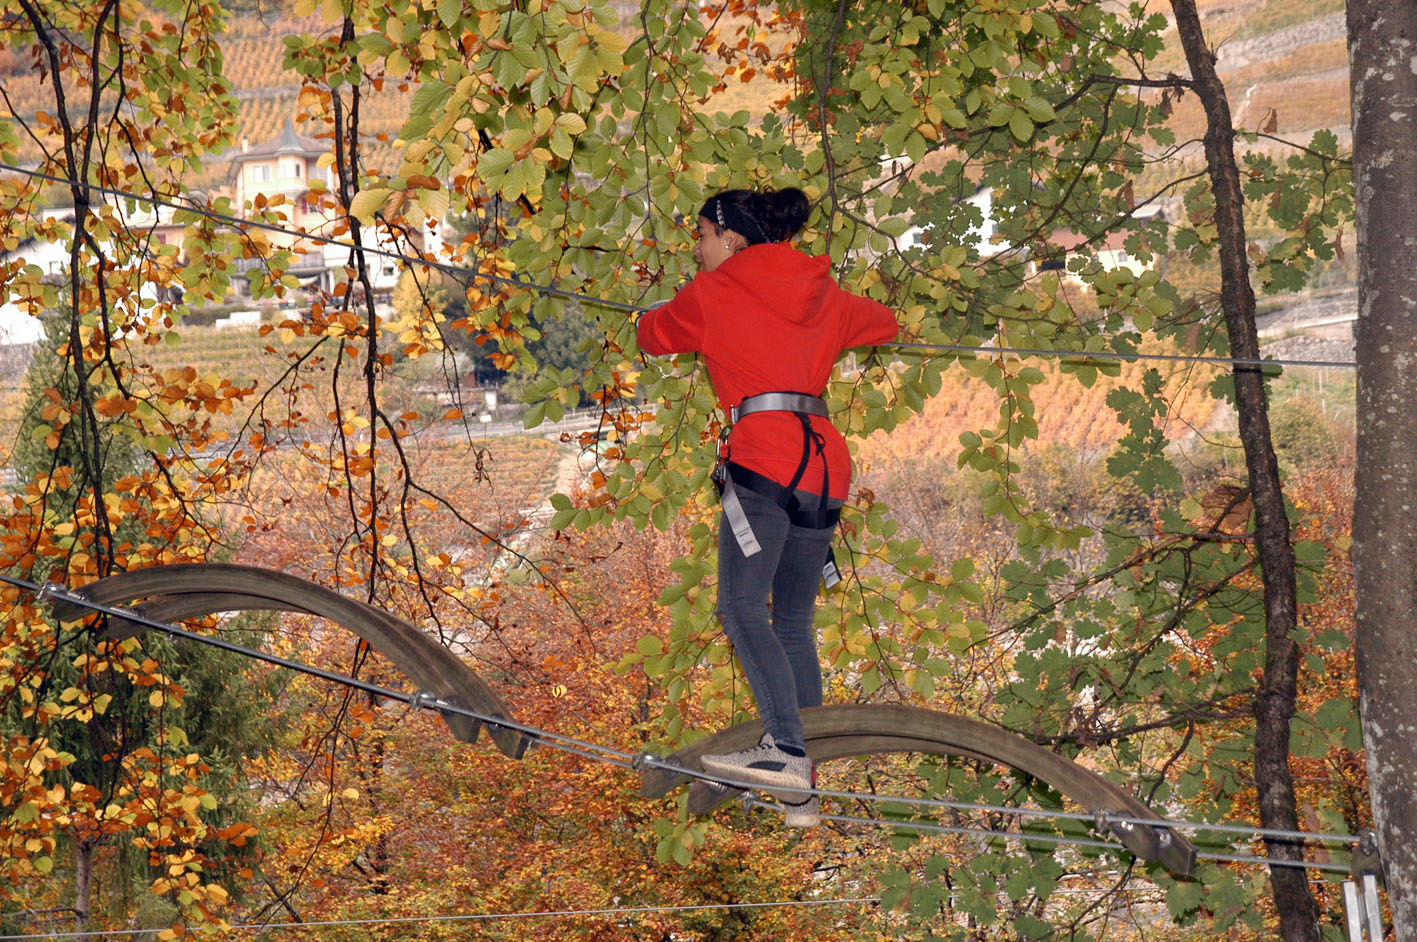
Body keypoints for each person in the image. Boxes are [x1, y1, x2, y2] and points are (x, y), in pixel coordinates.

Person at [636, 187, 898, 827]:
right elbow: (885, 323)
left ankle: (786, 752)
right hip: (824, 467)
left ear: (731, 238)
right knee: (793, 619)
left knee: (741, 606)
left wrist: (659, 311)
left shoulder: (713, 293)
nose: (698, 251)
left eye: (702, 236)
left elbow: (651, 335)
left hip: (763, 458)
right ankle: (803, 779)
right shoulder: (823, 291)